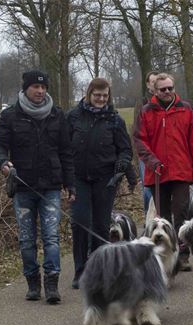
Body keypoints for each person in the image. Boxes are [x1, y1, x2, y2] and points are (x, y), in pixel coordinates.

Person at [0, 69, 75, 303]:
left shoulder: (57, 115)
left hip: (51, 186)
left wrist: (71, 185)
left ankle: (52, 283)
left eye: (43, 87)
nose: (40, 91)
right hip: (22, 186)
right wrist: (3, 163)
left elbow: (66, 152)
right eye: (35, 87)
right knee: (27, 239)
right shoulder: (10, 116)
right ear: (26, 88)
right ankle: (32, 282)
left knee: (51, 237)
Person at [67, 77, 133, 289]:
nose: (101, 99)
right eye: (97, 95)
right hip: (78, 178)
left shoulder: (115, 120)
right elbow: (63, 147)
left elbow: (125, 149)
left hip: (105, 179)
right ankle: (80, 270)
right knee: (80, 222)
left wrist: (122, 164)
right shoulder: (73, 117)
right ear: (89, 94)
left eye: (105, 96)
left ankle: (99, 270)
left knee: (101, 226)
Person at [133, 73, 193, 271]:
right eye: (163, 89)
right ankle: (163, 255)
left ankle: (183, 254)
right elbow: (139, 140)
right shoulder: (146, 111)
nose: (167, 92)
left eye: (170, 88)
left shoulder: (186, 109)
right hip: (157, 173)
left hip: (181, 170)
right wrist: (152, 161)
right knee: (161, 218)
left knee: (181, 212)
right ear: (155, 90)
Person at [134, 71, 159, 214]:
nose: (155, 84)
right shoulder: (142, 104)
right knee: (148, 189)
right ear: (148, 84)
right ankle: (149, 218)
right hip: (146, 153)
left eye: (158, 81)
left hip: (161, 151)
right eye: (153, 82)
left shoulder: (165, 100)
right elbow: (137, 132)